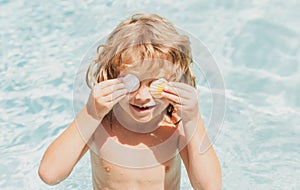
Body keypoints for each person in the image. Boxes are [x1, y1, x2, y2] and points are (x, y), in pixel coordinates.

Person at [38, 13, 222, 190]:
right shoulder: (101, 120)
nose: (142, 96)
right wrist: (91, 113)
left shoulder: (176, 123)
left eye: (154, 84)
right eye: (131, 82)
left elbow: (210, 188)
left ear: (173, 78)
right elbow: (50, 175)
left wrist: (192, 118)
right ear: (113, 76)